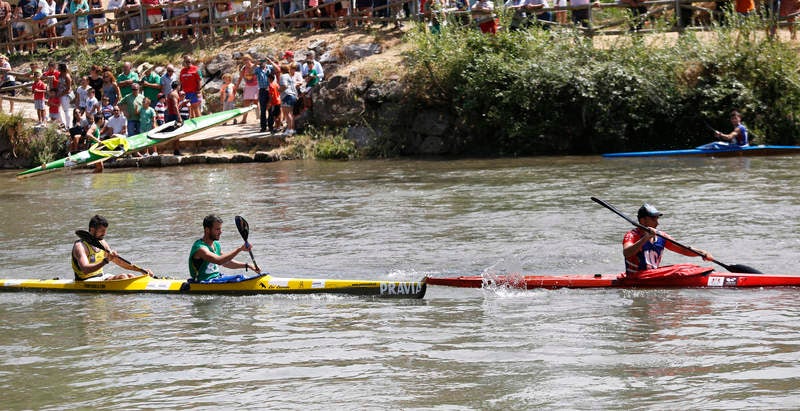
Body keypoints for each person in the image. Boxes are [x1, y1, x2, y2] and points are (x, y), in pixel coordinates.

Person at [622, 203, 713, 278]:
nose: (657, 223)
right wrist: (645, 238)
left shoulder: (661, 236)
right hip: (635, 278)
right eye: (653, 219)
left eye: (657, 219)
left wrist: (702, 253)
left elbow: (682, 249)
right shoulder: (631, 235)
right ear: (642, 221)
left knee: (686, 266)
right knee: (678, 271)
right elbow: (627, 253)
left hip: (653, 275)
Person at [72, 215, 153, 281]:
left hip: (100, 277)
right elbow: (85, 270)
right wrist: (106, 260)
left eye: (105, 230)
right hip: (85, 281)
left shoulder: (102, 243)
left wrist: (142, 271)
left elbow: (120, 262)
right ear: (92, 230)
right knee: (123, 277)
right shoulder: (80, 246)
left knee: (131, 276)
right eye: (102, 231)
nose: (104, 233)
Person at [188, 214, 260, 282]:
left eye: (220, 229)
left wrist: (248, 265)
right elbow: (219, 261)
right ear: (207, 230)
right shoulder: (200, 248)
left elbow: (226, 262)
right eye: (217, 229)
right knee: (240, 278)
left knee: (240, 277)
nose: (220, 232)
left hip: (216, 279)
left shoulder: (216, 244)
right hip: (203, 281)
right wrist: (239, 249)